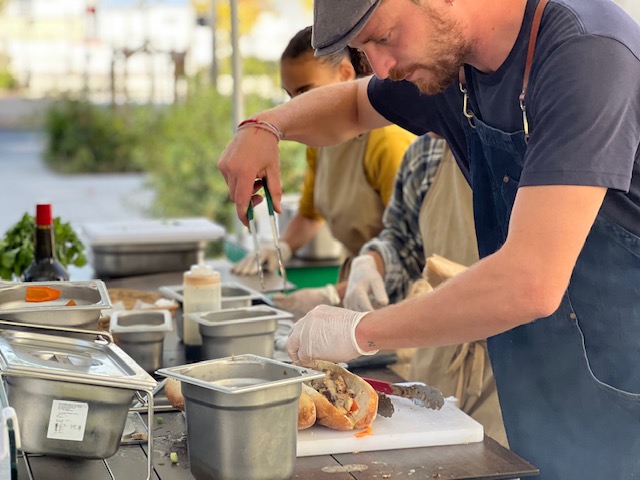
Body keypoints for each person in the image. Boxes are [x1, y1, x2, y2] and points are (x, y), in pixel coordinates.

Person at [217, 0, 640, 478]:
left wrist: (358, 330)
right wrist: (267, 126)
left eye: (382, 37)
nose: (380, 67)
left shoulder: (584, 54)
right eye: (362, 49)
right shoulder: (456, 65)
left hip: (624, 403)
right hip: (541, 395)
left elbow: (530, 282)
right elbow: (356, 105)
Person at [232, 26, 415, 317]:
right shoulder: (319, 143)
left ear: (344, 76)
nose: (297, 107)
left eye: (305, 93)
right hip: (354, 286)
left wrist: (330, 295)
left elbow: (412, 248)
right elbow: (309, 213)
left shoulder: (387, 141)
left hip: (399, 298)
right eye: (290, 96)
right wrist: (280, 248)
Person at [345, 132, 507, 445]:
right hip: (438, 351)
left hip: (510, 369)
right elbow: (403, 243)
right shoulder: (426, 152)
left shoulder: (540, 147)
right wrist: (371, 264)